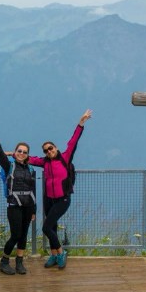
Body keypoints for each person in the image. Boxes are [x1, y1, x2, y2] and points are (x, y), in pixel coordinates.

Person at [29, 109, 92, 270]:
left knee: (46, 227)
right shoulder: (45, 162)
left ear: (55, 148)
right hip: (49, 199)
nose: (49, 151)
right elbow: (30, 159)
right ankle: (54, 255)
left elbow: (73, 142)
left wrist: (81, 123)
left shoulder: (65, 157)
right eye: (46, 150)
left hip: (63, 199)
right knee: (53, 227)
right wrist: (13, 154)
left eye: (50, 148)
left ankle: (61, 253)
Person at [0, 123, 37, 275]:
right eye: (19, 151)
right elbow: (1, 156)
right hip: (14, 205)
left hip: (28, 206)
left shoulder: (31, 169)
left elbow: (33, 190)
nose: (22, 153)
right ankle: (4, 261)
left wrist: (34, 210)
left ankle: (19, 263)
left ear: (28, 155)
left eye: (25, 152)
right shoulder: (9, 166)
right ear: (15, 153)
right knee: (15, 234)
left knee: (24, 234)